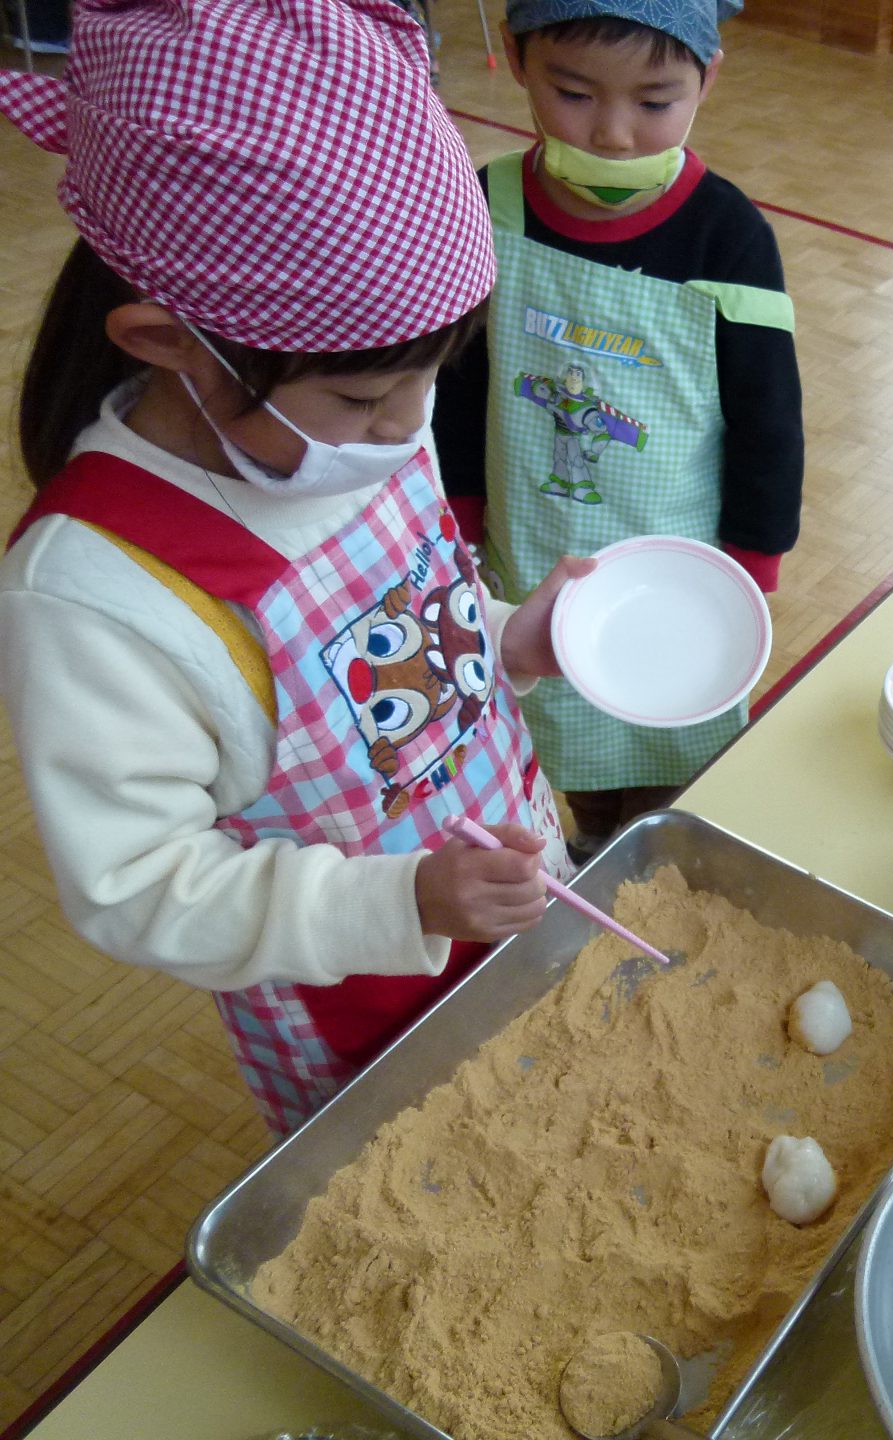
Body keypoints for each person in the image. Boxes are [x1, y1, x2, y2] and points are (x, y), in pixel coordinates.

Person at [0, 0, 592, 1134]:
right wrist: (409, 897)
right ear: (165, 342)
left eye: (432, 377)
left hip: (517, 886)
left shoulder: (363, 424)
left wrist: (504, 637)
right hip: (361, 1010)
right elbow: (140, 886)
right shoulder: (93, 596)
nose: (408, 428)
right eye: (367, 397)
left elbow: (407, 622)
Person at [435, 0, 805, 862]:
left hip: (678, 572)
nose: (611, 133)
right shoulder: (487, 203)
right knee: (560, 720)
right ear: (518, 59)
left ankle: (664, 849)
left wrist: (752, 564)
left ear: (707, 80)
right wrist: (460, 514)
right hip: (530, 549)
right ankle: (598, 838)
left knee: (673, 743)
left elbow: (769, 419)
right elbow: (456, 384)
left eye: (655, 101)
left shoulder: (729, 238)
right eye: (573, 93)